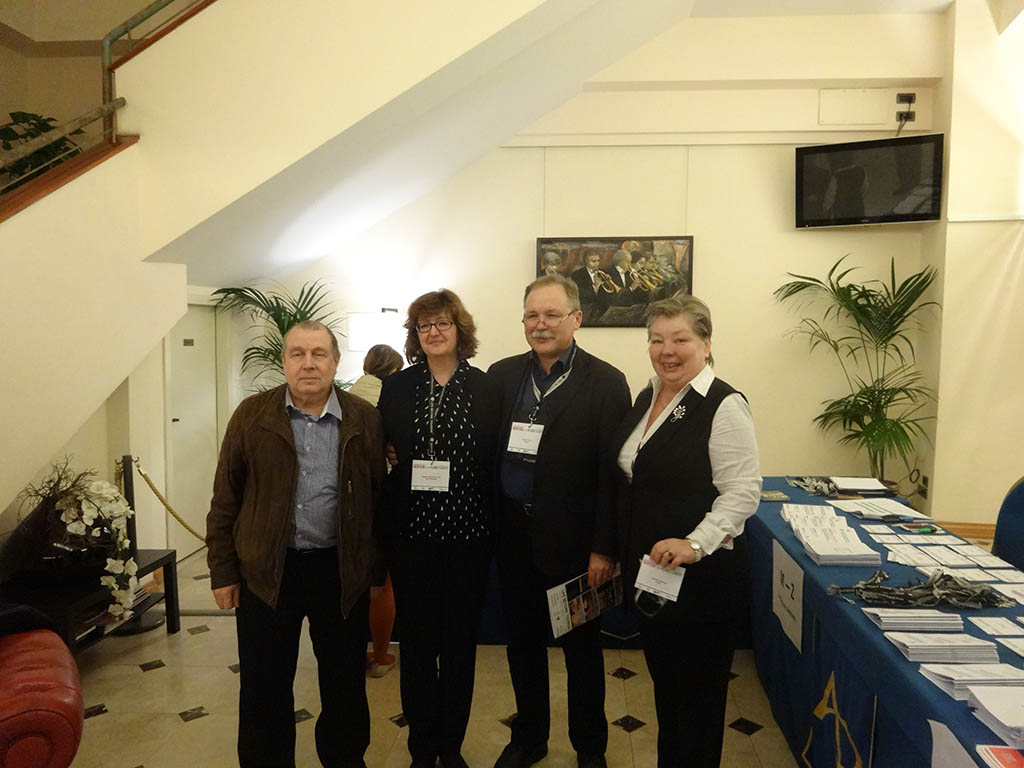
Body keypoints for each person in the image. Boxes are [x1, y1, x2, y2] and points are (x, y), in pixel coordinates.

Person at [206, 320, 385, 768]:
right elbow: (225, 498)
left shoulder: (363, 418)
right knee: (264, 687)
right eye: (298, 354)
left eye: (318, 354)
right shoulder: (252, 415)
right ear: (284, 361)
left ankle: (345, 761)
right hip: (267, 573)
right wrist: (223, 571)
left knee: (344, 684)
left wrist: (374, 571)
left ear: (335, 362)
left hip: (339, 573)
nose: (308, 364)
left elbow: (377, 500)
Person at [611, 296, 760, 768]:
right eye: (657, 340)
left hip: (702, 584)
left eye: (680, 339)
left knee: (698, 702)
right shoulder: (648, 395)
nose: (667, 351)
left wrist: (695, 543)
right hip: (654, 577)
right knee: (669, 693)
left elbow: (742, 492)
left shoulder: (723, 405)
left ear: (706, 343)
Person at [488, 275, 630, 768]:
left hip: (576, 547)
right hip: (513, 538)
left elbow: (614, 475)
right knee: (522, 647)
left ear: (577, 319)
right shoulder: (502, 375)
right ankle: (529, 738)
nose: (540, 324)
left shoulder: (606, 382)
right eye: (532, 315)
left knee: (582, 652)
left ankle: (590, 747)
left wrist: (604, 548)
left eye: (551, 314)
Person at [377, 289, 501, 768]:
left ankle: (450, 747)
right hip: (413, 539)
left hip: (469, 538)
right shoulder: (397, 388)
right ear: (415, 333)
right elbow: (380, 448)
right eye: (424, 325)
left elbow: (495, 460)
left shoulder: (487, 388)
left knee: (459, 649)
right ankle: (420, 748)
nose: (433, 332)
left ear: (459, 329)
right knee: (417, 648)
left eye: (442, 323)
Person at [347, 343, 404, 677]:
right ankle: (381, 656)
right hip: (379, 499)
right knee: (382, 585)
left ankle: (351, 654)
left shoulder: (344, 396)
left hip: (344, 503)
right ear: (395, 369)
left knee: (352, 582)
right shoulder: (392, 399)